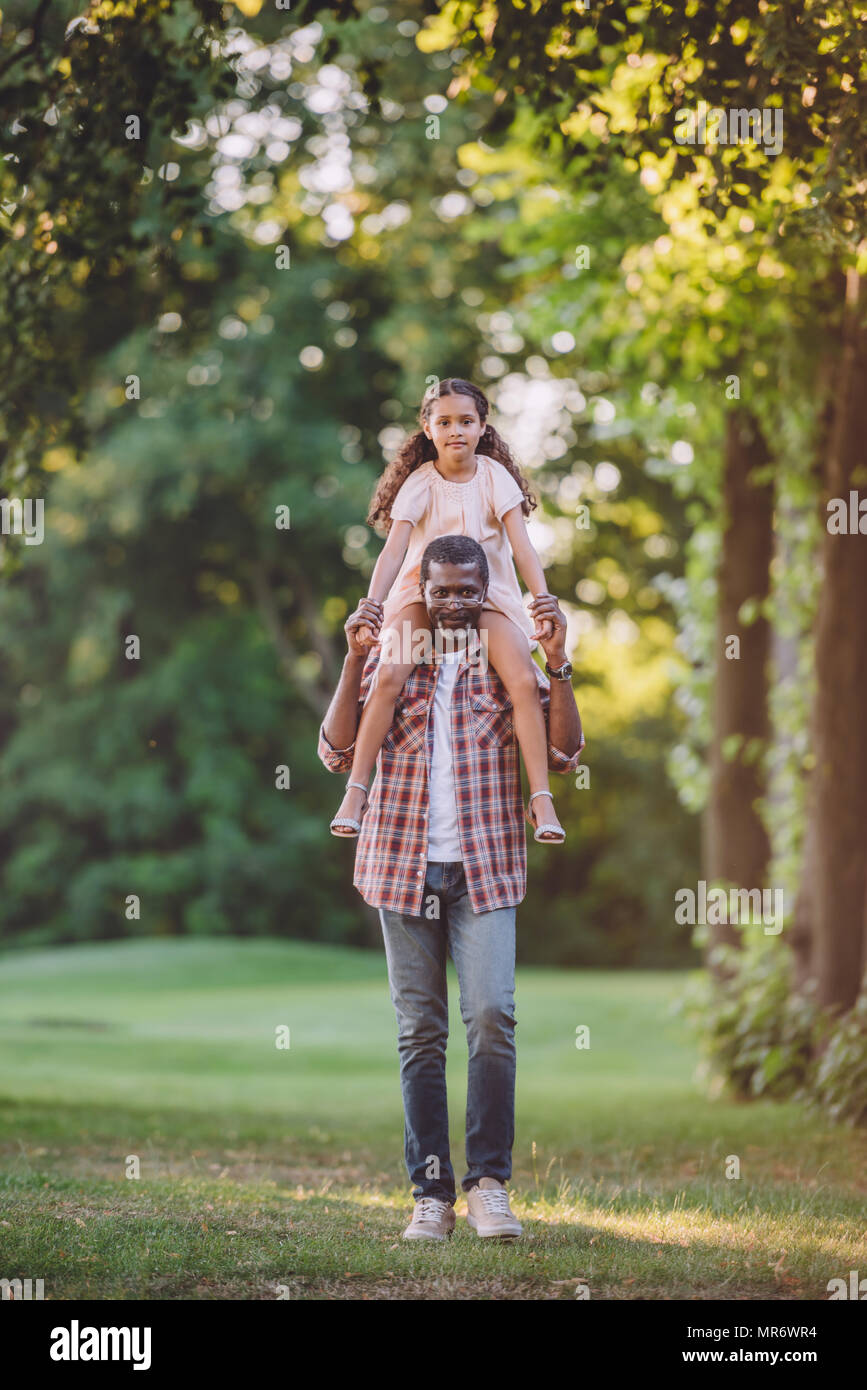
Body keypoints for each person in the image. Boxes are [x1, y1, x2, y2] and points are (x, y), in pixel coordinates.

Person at [318, 534, 584, 1240]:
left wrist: (558, 665)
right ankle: (430, 1195)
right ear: (424, 589)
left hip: (485, 865)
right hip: (399, 864)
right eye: (442, 590)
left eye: (469, 589)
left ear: (485, 588)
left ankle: (489, 1185)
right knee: (420, 1034)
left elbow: (562, 751)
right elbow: (335, 749)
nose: (455, 602)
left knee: (492, 1016)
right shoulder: (395, 654)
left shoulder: (507, 660)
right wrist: (353, 659)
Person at [330, 377, 567, 845]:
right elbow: (394, 551)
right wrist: (373, 605)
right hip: (423, 596)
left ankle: (541, 799)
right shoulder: (420, 483)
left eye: (466, 421)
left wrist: (541, 599)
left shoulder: (494, 477)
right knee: (389, 676)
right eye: (444, 422)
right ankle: (357, 790)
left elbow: (522, 546)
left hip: (489, 595)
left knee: (521, 679)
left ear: (483, 426)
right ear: (426, 427)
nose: (455, 430)